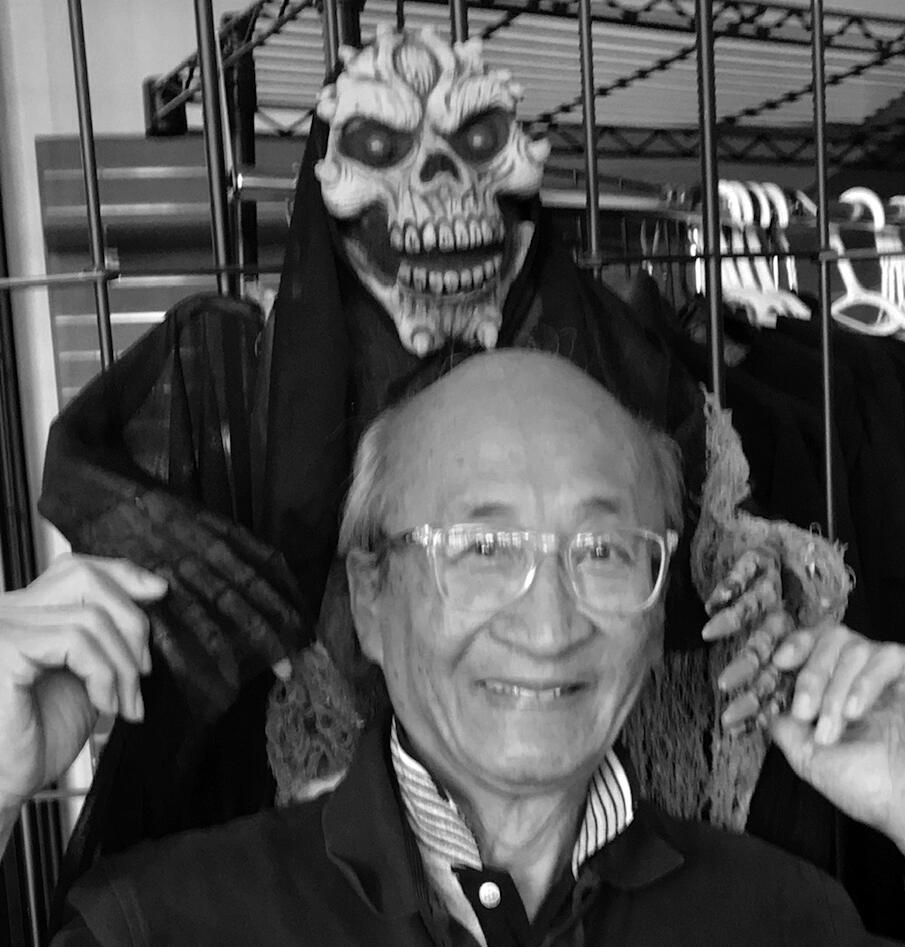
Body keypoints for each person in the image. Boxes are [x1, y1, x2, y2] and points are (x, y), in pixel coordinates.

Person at [2, 349, 903, 944]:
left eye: (602, 551)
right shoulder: (171, 925)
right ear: (370, 594)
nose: (547, 627)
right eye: (481, 549)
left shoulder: (785, 921)